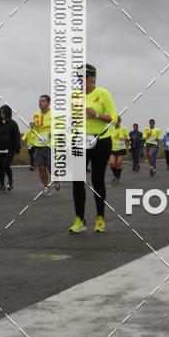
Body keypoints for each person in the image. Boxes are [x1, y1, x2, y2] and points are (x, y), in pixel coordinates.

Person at [69, 64, 117, 233]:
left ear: (93, 77)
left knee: (97, 179)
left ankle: (100, 217)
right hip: (80, 140)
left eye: (83, 77)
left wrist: (96, 115)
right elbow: (71, 118)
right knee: (77, 179)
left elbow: (114, 118)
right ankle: (80, 220)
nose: (80, 80)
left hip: (101, 140)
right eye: (78, 77)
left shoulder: (103, 94)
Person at [27, 94, 61, 195]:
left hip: (51, 145)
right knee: (41, 167)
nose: (40, 103)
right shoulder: (36, 115)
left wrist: (53, 132)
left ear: (48, 103)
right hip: (39, 145)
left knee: (51, 168)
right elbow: (33, 131)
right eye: (39, 101)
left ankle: (57, 179)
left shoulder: (54, 115)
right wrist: (32, 127)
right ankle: (46, 187)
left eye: (43, 101)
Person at [0, 105, 21, 194]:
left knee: (6, 166)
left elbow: (17, 137)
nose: (1, 114)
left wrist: (17, 149)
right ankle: (2, 186)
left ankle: (10, 180)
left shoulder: (13, 124)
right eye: (0, 112)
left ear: (7, 113)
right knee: (0, 168)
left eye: (3, 112)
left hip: (9, 149)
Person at [109, 116, 129, 183]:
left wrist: (124, 138)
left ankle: (117, 176)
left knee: (118, 163)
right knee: (112, 163)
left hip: (121, 148)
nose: (115, 123)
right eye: (114, 122)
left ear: (119, 122)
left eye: (117, 121)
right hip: (112, 148)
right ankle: (115, 174)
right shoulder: (110, 129)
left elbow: (128, 137)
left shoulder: (123, 129)